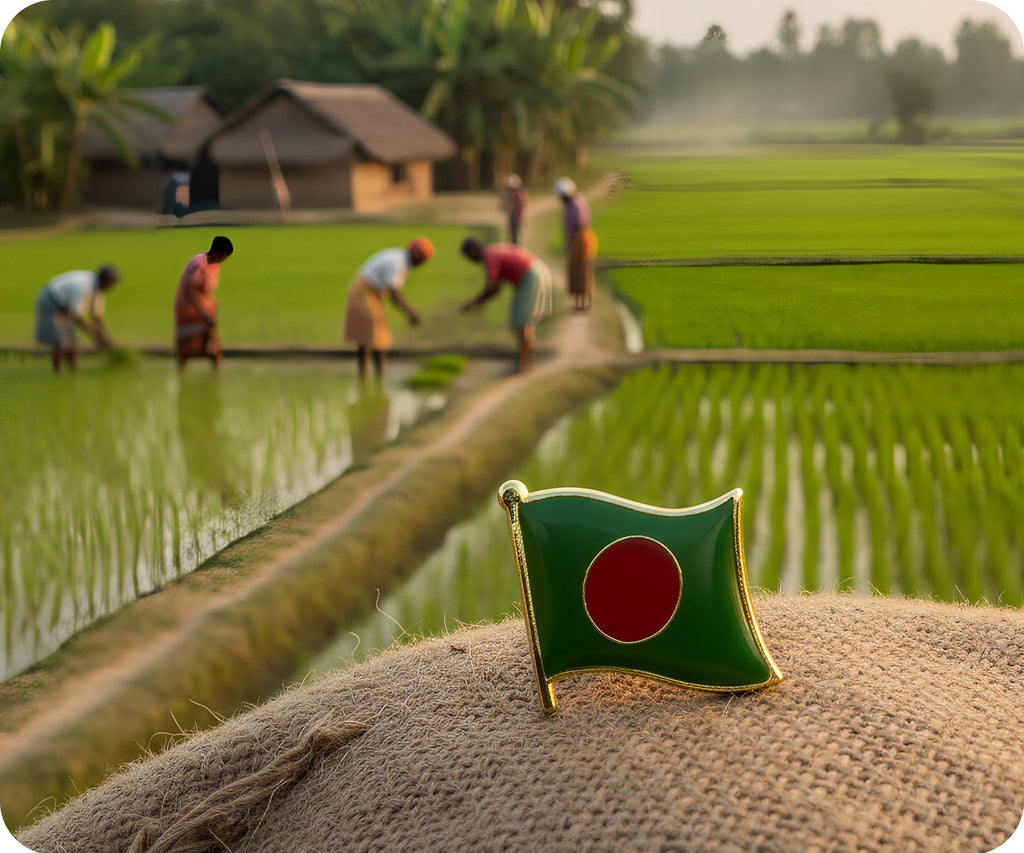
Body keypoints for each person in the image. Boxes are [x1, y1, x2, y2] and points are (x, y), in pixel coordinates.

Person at [460, 237, 552, 374]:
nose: (471, 261)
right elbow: (496, 288)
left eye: (469, 257)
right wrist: (481, 302)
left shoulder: (489, 256)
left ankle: (523, 366)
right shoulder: (492, 251)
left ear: (473, 251)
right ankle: (527, 363)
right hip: (538, 270)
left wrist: (475, 303)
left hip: (530, 275)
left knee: (521, 324)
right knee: (523, 323)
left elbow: (492, 287)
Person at [344, 238, 433, 380]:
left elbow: (391, 291)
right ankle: (372, 376)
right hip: (363, 292)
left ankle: (371, 376)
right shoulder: (397, 262)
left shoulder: (401, 260)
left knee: (373, 336)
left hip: (371, 293)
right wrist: (410, 313)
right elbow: (394, 292)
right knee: (374, 335)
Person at [34, 265, 120, 373]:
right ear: (105, 282)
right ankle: (57, 373)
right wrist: (95, 335)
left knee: (73, 342)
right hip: (51, 301)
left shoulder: (98, 289)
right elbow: (77, 317)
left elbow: (97, 316)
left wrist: (105, 336)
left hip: (66, 306)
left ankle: (73, 370)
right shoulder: (82, 286)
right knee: (61, 341)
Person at [174, 235, 233, 371]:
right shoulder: (200, 264)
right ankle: (185, 373)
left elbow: (205, 291)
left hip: (201, 309)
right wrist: (205, 313)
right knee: (191, 349)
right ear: (218, 253)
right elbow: (191, 291)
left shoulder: (213, 264)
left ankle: (212, 369)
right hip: (190, 309)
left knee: (213, 349)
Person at [554, 176, 596, 311]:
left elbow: (580, 225)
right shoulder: (574, 203)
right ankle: (579, 304)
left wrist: (573, 243)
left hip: (580, 242)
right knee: (577, 272)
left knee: (582, 272)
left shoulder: (576, 205)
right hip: (577, 241)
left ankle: (585, 304)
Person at [502, 174, 528, 245]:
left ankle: (516, 248)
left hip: (517, 216)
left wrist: (519, 216)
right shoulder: (513, 194)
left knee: (515, 235)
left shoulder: (519, 194)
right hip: (513, 215)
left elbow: (521, 207)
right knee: (512, 234)